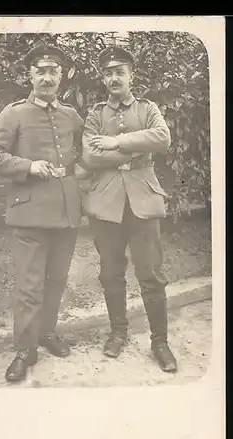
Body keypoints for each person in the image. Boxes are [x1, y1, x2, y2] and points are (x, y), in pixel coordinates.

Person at [0, 43, 84, 383]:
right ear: (30, 75)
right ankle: (25, 348)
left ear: (61, 76)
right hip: (29, 214)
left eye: (53, 71)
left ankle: (47, 332)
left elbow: (84, 151)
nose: (47, 77)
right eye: (40, 71)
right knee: (28, 284)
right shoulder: (13, 114)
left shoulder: (70, 115)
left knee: (57, 279)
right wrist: (28, 165)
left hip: (67, 212)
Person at [80, 45, 177, 372]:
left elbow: (162, 138)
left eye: (119, 71)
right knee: (111, 273)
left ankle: (160, 342)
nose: (113, 78)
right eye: (107, 73)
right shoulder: (96, 114)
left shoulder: (148, 109)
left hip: (143, 202)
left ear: (131, 75)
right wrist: (134, 152)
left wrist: (115, 142)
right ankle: (118, 333)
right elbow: (90, 157)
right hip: (105, 203)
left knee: (151, 273)